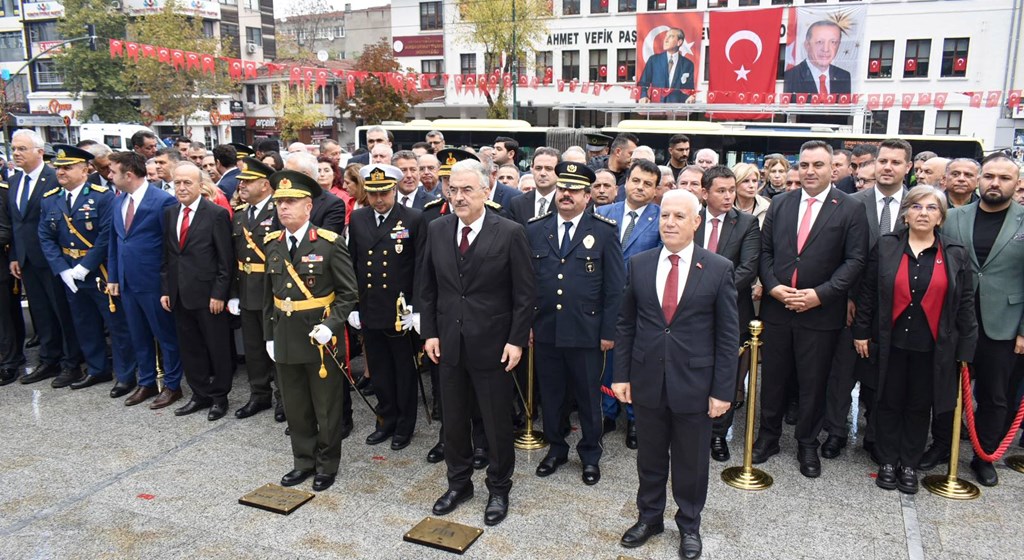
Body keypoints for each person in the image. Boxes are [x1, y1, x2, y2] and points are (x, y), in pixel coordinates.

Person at [612, 189, 738, 560]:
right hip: (647, 379)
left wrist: (722, 391)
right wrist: (621, 375)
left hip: (695, 385)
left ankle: (689, 525)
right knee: (649, 458)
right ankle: (649, 518)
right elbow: (626, 324)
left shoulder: (717, 268)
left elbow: (727, 336)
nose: (669, 223)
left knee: (691, 462)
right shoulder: (640, 263)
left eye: (679, 216)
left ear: (696, 221)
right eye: (665, 215)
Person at [420, 158, 535, 527]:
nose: (458, 197)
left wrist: (516, 341)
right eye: (453, 189)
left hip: (494, 345)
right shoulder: (437, 228)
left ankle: (499, 488)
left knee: (496, 422)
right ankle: (459, 484)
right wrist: (429, 332)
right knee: (453, 421)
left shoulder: (510, 232)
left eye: (467, 189)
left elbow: (525, 294)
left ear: (486, 191)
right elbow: (427, 287)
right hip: (449, 343)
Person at [753, 140, 868, 479]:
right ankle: (768, 437)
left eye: (818, 165)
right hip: (778, 308)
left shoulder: (850, 208)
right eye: (804, 165)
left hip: (820, 312)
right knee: (772, 380)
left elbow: (855, 260)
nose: (810, 171)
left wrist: (821, 295)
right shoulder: (781, 204)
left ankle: (807, 443)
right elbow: (765, 252)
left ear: (832, 169)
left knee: (813, 382)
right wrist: (773, 287)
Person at [853, 186, 977, 494]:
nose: (923, 213)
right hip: (890, 342)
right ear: (906, 214)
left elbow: (964, 303)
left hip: (932, 347)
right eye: (917, 207)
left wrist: (966, 348)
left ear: (941, 217)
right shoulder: (886, 246)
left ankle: (909, 463)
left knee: (919, 406)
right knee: (888, 401)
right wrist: (861, 332)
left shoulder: (955, 253)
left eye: (932, 208)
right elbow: (868, 293)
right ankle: (887, 461)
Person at [527, 162, 624, 486]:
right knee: (551, 396)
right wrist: (527, 325)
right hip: (547, 329)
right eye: (562, 188)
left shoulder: (603, 231)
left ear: (587, 196)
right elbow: (527, 284)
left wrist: (608, 332)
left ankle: (590, 455)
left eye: (574, 190)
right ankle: (556, 449)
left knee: (588, 398)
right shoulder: (536, 228)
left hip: (587, 332)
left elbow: (615, 287)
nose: (566, 194)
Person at [933, 153, 1024, 487]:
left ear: (1016, 183)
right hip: (955, 321)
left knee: (995, 395)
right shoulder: (954, 217)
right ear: (979, 180)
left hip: (1004, 324)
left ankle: (984, 456)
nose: (995, 183)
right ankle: (941, 446)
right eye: (989, 176)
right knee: (946, 388)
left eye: (1004, 178)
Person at [264, 169, 358, 492]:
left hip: (320, 338)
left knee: (326, 406)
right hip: (285, 335)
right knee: (295, 404)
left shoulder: (329, 243)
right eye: (279, 202)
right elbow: (267, 296)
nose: (283, 207)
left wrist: (331, 326)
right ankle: (303, 461)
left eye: (291, 201)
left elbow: (348, 294)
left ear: (308, 206)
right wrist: (268, 336)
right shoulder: (272, 244)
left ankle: (326, 464)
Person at [823, 139, 912, 462]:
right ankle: (835, 431)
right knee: (841, 373)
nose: (888, 167)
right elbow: (838, 254)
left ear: (908, 167)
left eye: (896, 162)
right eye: (883, 161)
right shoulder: (851, 203)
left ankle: (875, 434)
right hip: (852, 304)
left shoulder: (917, 205)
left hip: (898, 309)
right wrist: (846, 295)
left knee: (884, 377)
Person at [37, 145, 136, 391]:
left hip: (99, 270)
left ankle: (126, 374)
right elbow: (45, 236)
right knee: (83, 322)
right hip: (69, 270)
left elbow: (106, 235)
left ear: (85, 170)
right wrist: (63, 269)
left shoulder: (102, 197)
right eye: (58, 168)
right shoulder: (51, 199)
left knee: (116, 324)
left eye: (68, 168)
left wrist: (85, 266)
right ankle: (97, 369)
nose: (61, 172)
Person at [348, 164, 425, 450]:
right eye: (373, 194)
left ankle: (405, 425)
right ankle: (386, 420)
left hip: (400, 310)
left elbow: (420, 267)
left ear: (394, 189)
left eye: (384, 193)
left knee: (404, 372)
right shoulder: (358, 218)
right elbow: (353, 263)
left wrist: (416, 309)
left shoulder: (413, 218)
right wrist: (354, 304)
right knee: (379, 371)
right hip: (371, 306)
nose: (379, 199)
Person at [106, 150, 185, 407]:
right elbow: (115, 241)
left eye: (113, 172)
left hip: (153, 282)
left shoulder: (162, 201)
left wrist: (167, 285)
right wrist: (114, 276)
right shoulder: (119, 201)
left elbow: (170, 247)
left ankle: (172, 385)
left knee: (166, 335)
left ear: (129, 174)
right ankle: (147, 382)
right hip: (127, 282)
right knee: (138, 335)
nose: (109, 176)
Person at [596, 159, 664, 449]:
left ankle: (635, 418)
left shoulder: (660, 218)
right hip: (604, 301)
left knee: (637, 361)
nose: (640, 187)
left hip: (641, 303)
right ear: (626, 183)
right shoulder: (603, 212)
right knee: (607, 360)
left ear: (655, 190)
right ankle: (608, 411)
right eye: (636, 180)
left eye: (648, 184)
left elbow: (659, 260)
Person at [695, 166, 761, 463]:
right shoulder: (692, 219)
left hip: (731, 311)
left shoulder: (747, 223)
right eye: (721, 190)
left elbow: (748, 268)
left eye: (731, 190)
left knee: (728, 375)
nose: (728, 196)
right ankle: (693, 428)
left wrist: (707, 291)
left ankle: (719, 435)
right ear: (704, 192)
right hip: (692, 314)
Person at [6, 129, 82, 386]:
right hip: (26, 259)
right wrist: (15, 255)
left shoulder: (54, 178)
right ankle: (49, 359)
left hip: (53, 259)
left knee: (62, 311)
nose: (16, 153)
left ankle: (71, 362)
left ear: (39, 151)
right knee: (41, 312)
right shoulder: (15, 181)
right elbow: (16, 223)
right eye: (14, 149)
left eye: (22, 148)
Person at [161, 162, 234, 420]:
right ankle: (199, 393)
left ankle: (219, 397)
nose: (181, 188)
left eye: (187, 183)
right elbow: (169, 255)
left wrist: (219, 294)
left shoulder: (216, 214)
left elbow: (226, 260)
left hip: (208, 295)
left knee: (217, 348)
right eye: (177, 183)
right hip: (180, 294)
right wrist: (166, 289)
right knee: (190, 348)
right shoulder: (170, 213)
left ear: (200, 185)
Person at [227, 157, 283, 421]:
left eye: (248, 181)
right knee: (253, 349)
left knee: (277, 347)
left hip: (272, 289)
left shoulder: (278, 212)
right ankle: (259, 394)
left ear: (265, 185)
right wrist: (233, 293)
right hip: (247, 290)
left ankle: (284, 398)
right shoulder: (240, 215)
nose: (242, 186)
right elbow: (233, 257)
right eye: (241, 181)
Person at [284, 151, 347, 235]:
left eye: (288, 173)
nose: (284, 177)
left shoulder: (333, 204)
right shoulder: (282, 200)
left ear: (306, 175)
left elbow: (327, 239)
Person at [783, 20, 852, 95]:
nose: (826, 49)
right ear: (807, 45)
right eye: (819, 42)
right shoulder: (791, 76)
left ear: (838, 46)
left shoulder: (844, 76)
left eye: (833, 42)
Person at [638, 28, 695, 103]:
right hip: (656, 107)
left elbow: (689, 89)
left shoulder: (688, 64)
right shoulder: (653, 60)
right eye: (666, 36)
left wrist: (690, 97)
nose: (666, 40)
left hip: (677, 108)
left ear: (679, 42)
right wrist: (644, 96)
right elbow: (643, 83)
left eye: (670, 36)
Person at [509, 147, 560, 226]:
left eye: (548, 169)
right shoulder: (517, 203)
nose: (542, 173)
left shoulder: (565, 202)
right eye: (538, 168)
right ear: (532, 170)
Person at [732, 163, 770, 228]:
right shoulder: (725, 207)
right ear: (735, 184)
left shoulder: (767, 207)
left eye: (754, 181)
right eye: (746, 181)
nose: (752, 186)